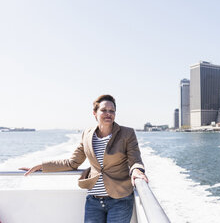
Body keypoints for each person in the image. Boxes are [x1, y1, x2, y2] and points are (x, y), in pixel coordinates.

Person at [19, 94, 148, 223]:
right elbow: (72, 162)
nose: (108, 114)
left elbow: (135, 159)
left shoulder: (127, 133)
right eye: (104, 110)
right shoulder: (87, 134)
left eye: (112, 111)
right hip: (94, 201)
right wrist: (42, 166)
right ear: (94, 113)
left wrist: (137, 170)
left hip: (120, 200)